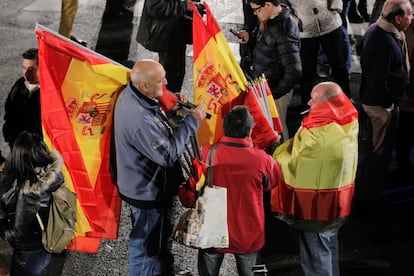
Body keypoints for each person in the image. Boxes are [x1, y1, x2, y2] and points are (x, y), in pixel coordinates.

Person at [113, 59, 206, 275]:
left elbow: (159, 126)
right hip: (148, 193)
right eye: (160, 81)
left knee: (157, 241)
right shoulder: (139, 120)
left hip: (146, 186)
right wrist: (192, 122)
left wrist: (173, 110)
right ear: (144, 86)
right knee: (146, 249)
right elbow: (168, 154)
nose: (165, 83)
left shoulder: (136, 96)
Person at [271, 82, 359, 276]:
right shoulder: (348, 121)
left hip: (315, 210)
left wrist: (276, 151)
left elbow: (294, 161)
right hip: (338, 205)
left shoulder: (318, 135)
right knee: (329, 248)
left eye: (314, 99)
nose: (309, 102)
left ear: (327, 103)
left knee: (316, 256)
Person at [197, 105, 282, 276]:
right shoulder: (263, 160)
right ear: (250, 131)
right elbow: (271, 184)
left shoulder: (207, 153)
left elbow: (197, 182)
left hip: (213, 227)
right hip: (248, 230)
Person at [357, 0, 413, 209]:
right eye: (409, 14)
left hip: (376, 103)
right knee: (378, 153)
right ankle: (369, 196)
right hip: (380, 107)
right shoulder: (385, 42)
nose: (412, 17)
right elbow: (378, 82)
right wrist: (390, 104)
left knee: (375, 149)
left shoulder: (379, 29)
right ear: (398, 19)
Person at [0, 131, 65, 276]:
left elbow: (18, 234)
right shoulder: (51, 174)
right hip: (47, 242)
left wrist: (2, 226)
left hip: (30, 252)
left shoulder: (28, 194)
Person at [237, 0, 302, 142]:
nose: (255, 13)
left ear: (268, 5)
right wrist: (248, 38)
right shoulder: (269, 20)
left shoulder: (284, 30)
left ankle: (279, 160)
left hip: (274, 92)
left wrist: (273, 94)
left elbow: (294, 71)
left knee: (277, 130)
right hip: (264, 85)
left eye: (257, 10)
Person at [283, 0, 352, 104]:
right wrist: (295, 21)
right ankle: (308, 106)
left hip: (331, 23)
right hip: (305, 31)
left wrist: (336, 7)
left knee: (339, 66)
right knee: (307, 72)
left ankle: (347, 99)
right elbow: (282, 5)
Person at [136, 0, 197, 93]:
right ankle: (166, 102)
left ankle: (171, 99)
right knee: (169, 75)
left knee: (176, 72)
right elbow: (156, 7)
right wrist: (185, 6)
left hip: (177, 31)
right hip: (166, 34)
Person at [3, 48, 42, 150]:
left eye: (31, 69)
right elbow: (9, 113)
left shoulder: (51, 92)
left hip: (40, 150)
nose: (26, 74)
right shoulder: (19, 85)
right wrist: (10, 138)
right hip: (18, 147)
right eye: (24, 68)